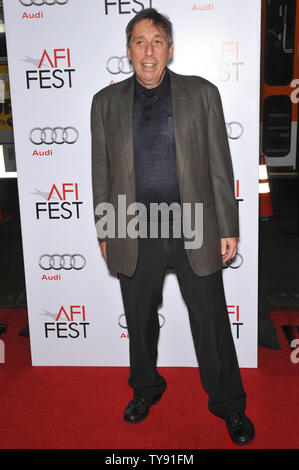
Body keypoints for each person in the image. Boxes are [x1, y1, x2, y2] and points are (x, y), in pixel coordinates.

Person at [91, 8, 254, 446]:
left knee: (211, 321)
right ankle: (144, 390)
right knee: (140, 320)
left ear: (170, 48)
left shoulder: (202, 94)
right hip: (132, 227)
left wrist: (228, 225)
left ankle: (230, 405)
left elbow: (221, 166)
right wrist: (106, 230)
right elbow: (101, 174)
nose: (149, 51)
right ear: (128, 51)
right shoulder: (104, 104)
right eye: (140, 42)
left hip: (196, 225)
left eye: (157, 41)